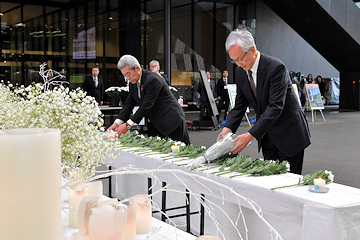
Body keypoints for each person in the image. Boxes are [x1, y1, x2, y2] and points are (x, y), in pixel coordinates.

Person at [217, 28, 311, 174]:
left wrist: (249, 136)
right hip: (267, 135)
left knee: (290, 185)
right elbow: (240, 105)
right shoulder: (240, 72)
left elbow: (275, 106)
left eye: (240, 58)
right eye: (233, 60)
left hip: (289, 133)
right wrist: (227, 128)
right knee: (270, 183)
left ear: (252, 49)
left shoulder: (275, 68)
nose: (238, 64)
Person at [107, 55, 190, 145]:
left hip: (172, 120)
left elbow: (146, 105)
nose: (127, 78)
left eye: (128, 74)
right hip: (156, 124)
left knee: (182, 151)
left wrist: (127, 125)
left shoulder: (153, 80)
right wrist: (116, 123)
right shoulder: (133, 84)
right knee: (155, 153)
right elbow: (128, 104)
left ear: (137, 68)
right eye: (124, 75)